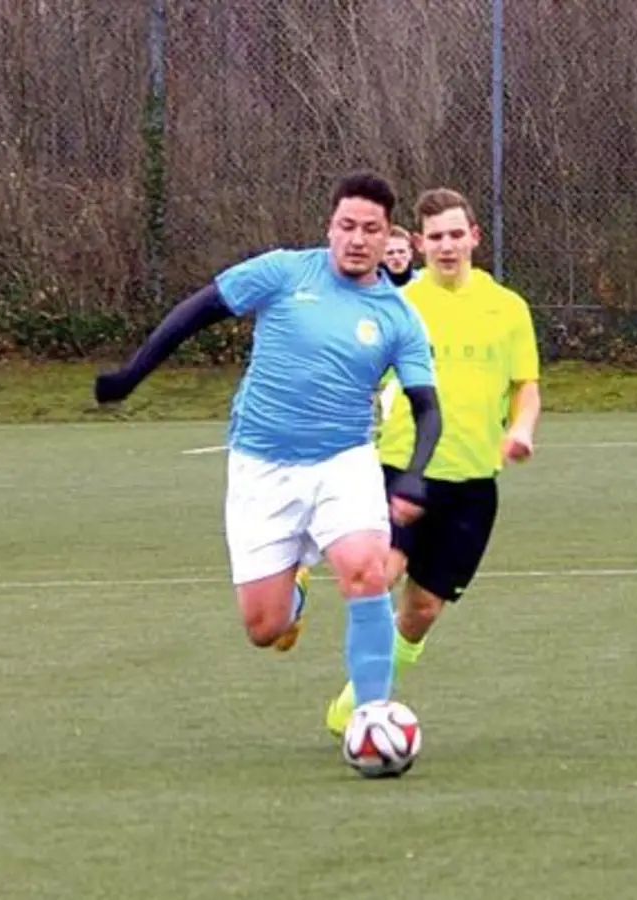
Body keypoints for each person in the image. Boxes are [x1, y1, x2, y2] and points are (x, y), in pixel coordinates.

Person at [93, 171, 444, 722]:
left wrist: (414, 473)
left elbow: (427, 406)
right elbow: (197, 310)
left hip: (343, 462)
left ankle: (373, 713)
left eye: (370, 229)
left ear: (387, 237)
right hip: (261, 466)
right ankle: (293, 595)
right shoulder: (283, 271)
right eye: (347, 226)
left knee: (368, 570)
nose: (357, 239)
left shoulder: (399, 316)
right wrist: (133, 374)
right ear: (329, 228)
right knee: (264, 628)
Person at [321, 187, 541, 736]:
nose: (447, 246)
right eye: (435, 237)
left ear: (474, 237)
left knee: (421, 613)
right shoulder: (400, 305)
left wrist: (521, 429)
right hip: (405, 470)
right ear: (418, 245)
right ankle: (369, 706)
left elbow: (526, 387)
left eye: (455, 235)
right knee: (381, 573)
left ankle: (355, 701)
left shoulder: (507, 308)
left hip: (473, 484)